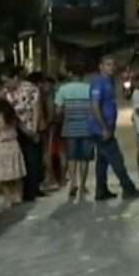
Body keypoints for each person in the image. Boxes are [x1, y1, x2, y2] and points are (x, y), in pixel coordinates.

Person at [90, 55, 139, 201]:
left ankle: (101, 191)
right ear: (101, 66)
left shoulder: (109, 81)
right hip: (102, 129)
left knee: (102, 161)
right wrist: (104, 128)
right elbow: (95, 106)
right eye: (108, 64)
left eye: (113, 64)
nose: (111, 67)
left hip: (106, 128)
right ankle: (128, 189)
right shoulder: (98, 83)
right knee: (117, 159)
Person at [0, 65, 44, 201]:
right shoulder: (5, 92)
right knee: (20, 159)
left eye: (7, 81)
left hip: (30, 126)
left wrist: (34, 129)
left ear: (15, 78)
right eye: (4, 82)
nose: (6, 84)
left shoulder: (30, 89)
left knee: (33, 159)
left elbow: (36, 108)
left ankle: (32, 190)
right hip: (14, 129)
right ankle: (22, 190)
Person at [56, 67, 95, 199]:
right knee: (84, 158)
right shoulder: (89, 88)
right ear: (83, 75)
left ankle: (73, 183)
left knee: (72, 157)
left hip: (69, 128)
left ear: (70, 73)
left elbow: (58, 111)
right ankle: (83, 186)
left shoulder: (63, 89)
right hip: (87, 128)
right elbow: (94, 107)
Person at [0, 98, 27, 209]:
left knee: (4, 177)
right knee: (16, 173)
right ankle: (18, 196)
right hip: (14, 145)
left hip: (1, 148)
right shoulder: (13, 119)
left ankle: (8, 199)